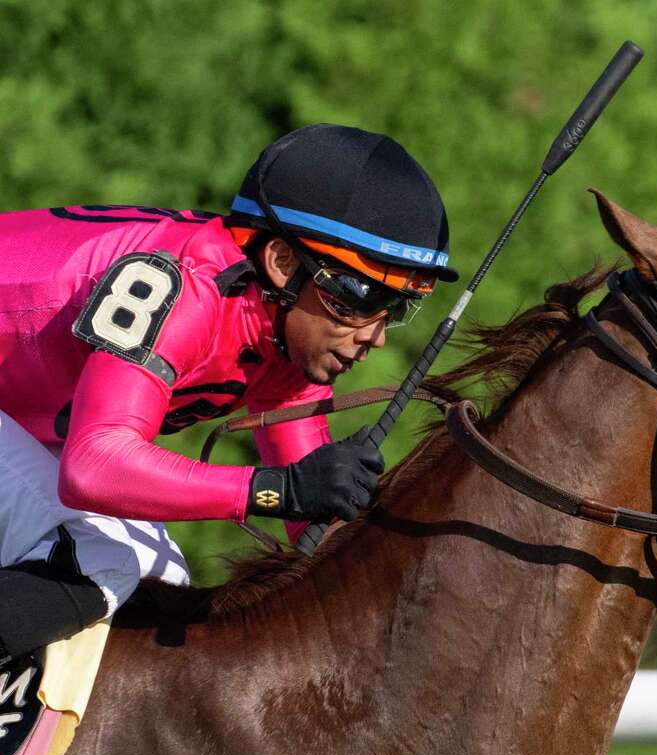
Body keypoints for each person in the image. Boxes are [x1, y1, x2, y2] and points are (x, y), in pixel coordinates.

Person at [0, 123, 456, 666]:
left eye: (396, 308)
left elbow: (315, 526)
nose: (373, 335)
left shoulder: (280, 329)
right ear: (283, 262)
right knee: (99, 559)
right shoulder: (184, 285)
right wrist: (273, 489)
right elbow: (93, 467)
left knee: (160, 573)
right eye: (359, 297)